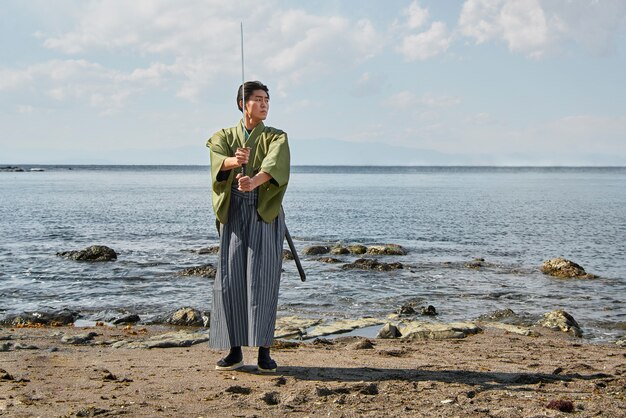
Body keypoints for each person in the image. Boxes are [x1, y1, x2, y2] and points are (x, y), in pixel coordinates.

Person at [206, 81, 290, 373]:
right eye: (257, 99)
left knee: (264, 279)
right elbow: (217, 160)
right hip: (234, 212)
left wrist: (253, 180)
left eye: (267, 99)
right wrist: (234, 161)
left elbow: (276, 164)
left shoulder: (277, 136)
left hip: (263, 212)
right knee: (231, 280)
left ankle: (264, 351)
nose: (264, 104)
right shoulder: (224, 136)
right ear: (243, 104)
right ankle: (234, 351)